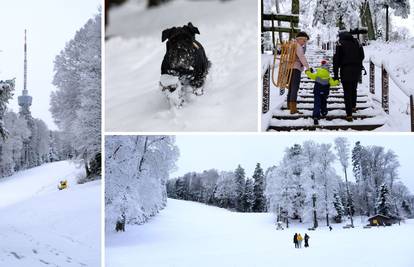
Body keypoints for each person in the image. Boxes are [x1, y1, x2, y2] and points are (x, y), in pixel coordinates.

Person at [333, 31, 365, 122]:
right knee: (354, 88)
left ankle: (349, 114)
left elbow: (336, 60)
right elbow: (362, 56)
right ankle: (353, 107)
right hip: (356, 70)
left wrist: (336, 75)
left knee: (347, 92)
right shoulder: (357, 42)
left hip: (345, 69)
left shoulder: (339, 43)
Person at [305, 60, 340, 125]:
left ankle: (316, 116)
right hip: (325, 92)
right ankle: (324, 112)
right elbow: (333, 83)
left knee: (317, 103)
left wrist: (307, 72)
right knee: (324, 102)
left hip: (317, 91)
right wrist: (337, 81)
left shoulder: (317, 74)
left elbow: (310, 75)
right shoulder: (329, 77)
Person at [287, 31, 310, 114]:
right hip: (296, 68)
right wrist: (307, 67)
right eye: (304, 40)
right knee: (294, 87)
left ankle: (289, 105)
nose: (304, 43)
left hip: (289, 68)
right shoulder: (297, 46)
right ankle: (293, 109)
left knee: (291, 87)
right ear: (300, 39)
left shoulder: (291, 44)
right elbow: (301, 57)